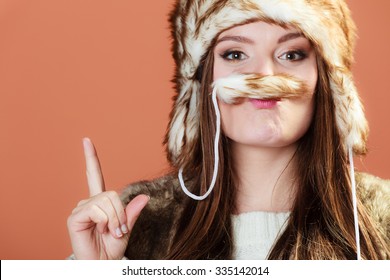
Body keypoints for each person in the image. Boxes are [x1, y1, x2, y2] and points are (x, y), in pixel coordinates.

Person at [67, 0, 390, 260]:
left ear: (330, 83)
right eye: (235, 54)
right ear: (201, 81)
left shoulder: (383, 216)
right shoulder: (137, 222)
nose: (264, 74)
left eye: (292, 54)